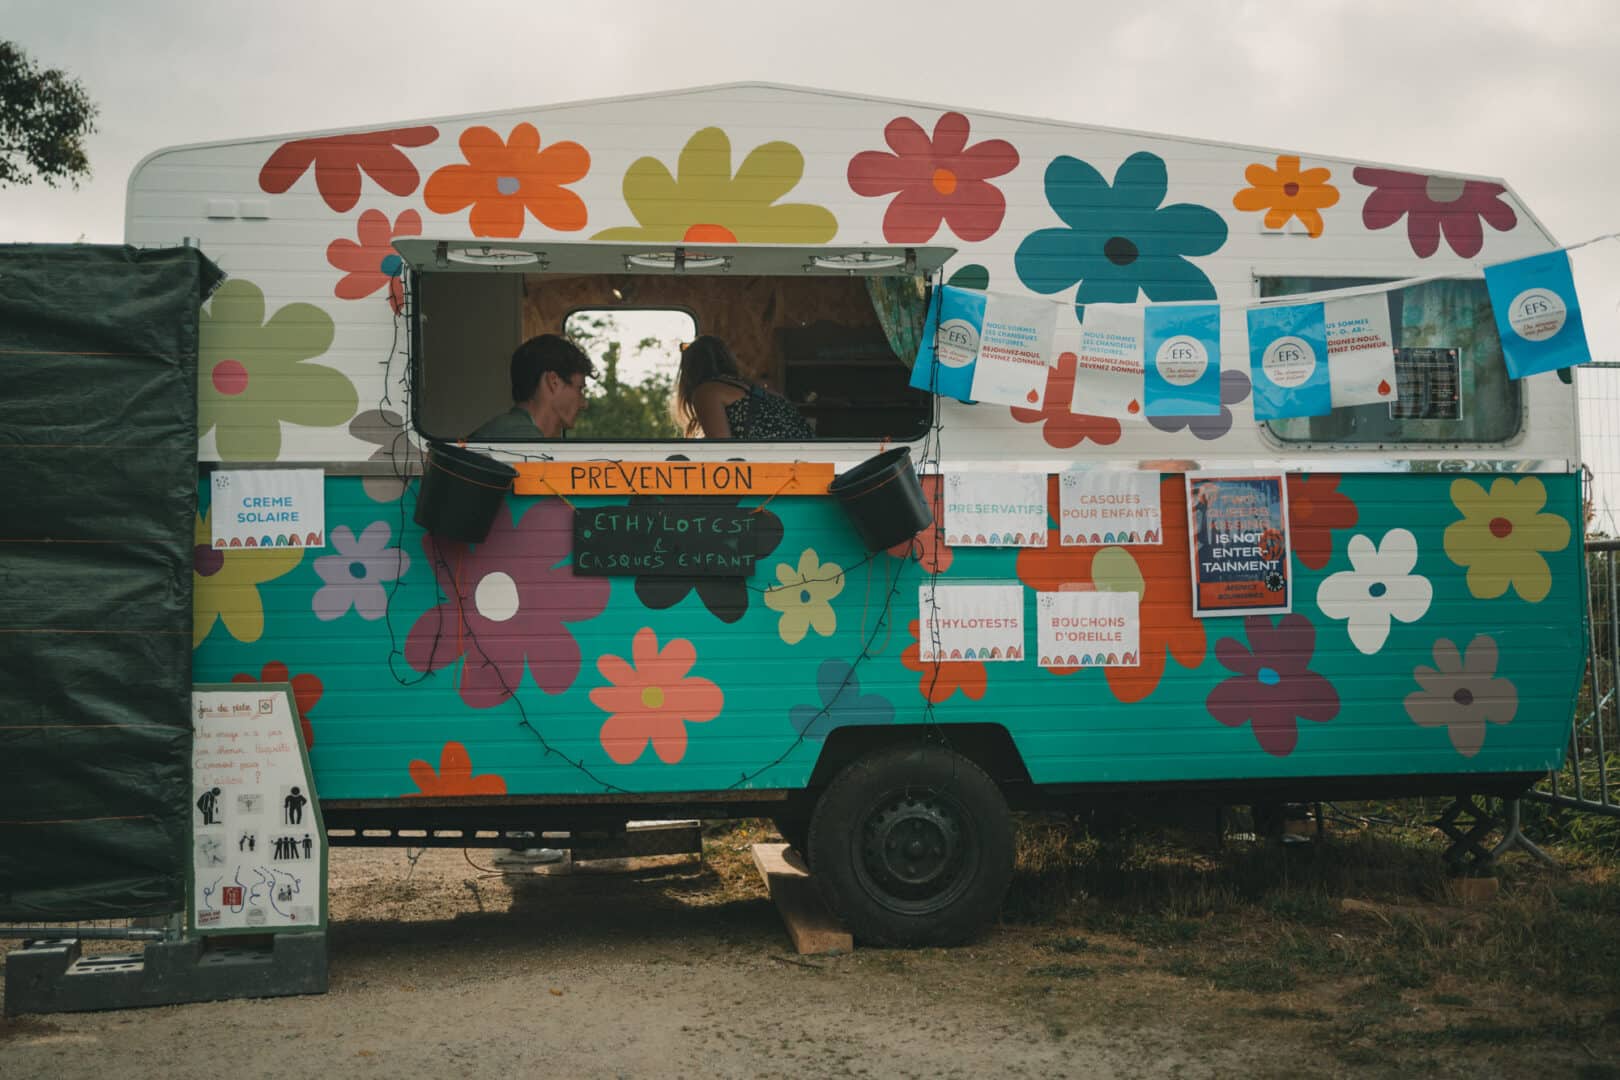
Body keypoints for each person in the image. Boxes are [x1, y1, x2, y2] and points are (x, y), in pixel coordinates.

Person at [673, 335, 813, 440]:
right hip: (805, 466)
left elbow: (721, 451)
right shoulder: (762, 389)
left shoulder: (707, 392)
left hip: (774, 470)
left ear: (690, 370)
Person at [469, 334, 594, 440]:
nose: (584, 404)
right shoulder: (523, 440)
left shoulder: (506, 430)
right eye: (579, 389)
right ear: (553, 382)